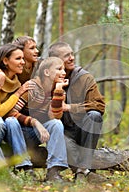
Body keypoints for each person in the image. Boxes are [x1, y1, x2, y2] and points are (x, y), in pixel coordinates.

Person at [48, 42, 106, 182]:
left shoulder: (84, 77)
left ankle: (81, 171)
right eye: (67, 55)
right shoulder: (46, 78)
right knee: (57, 129)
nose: (72, 58)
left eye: (72, 54)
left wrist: (70, 107)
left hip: (82, 131)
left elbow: (99, 105)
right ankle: (83, 172)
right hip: (62, 133)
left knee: (94, 115)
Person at [6, 57, 69, 183]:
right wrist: (34, 122)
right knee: (10, 121)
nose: (64, 73)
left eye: (64, 69)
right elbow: (10, 113)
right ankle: (25, 168)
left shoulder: (59, 90)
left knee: (56, 124)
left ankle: (53, 171)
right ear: (46, 72)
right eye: (59, 69)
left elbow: (54, 117)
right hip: (18, 134)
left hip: (36, 134)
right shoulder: (31, 88)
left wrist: (58, 91)